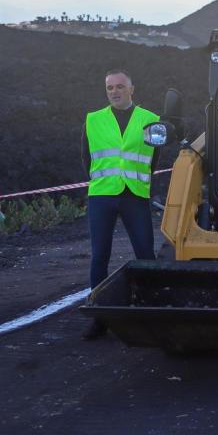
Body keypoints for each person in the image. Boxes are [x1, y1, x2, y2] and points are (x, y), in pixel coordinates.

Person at [80, 69, 160, 339]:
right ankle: (100, 318)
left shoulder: (150, 120)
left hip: (134, 195)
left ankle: (153, 310)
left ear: (131, 88)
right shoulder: (93, 120)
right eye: (110, 88)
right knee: (99, 256)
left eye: (120, 87)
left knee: (145, 254)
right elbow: (86, 158)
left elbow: (155, 159)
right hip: (102, 195)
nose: (115, 91)